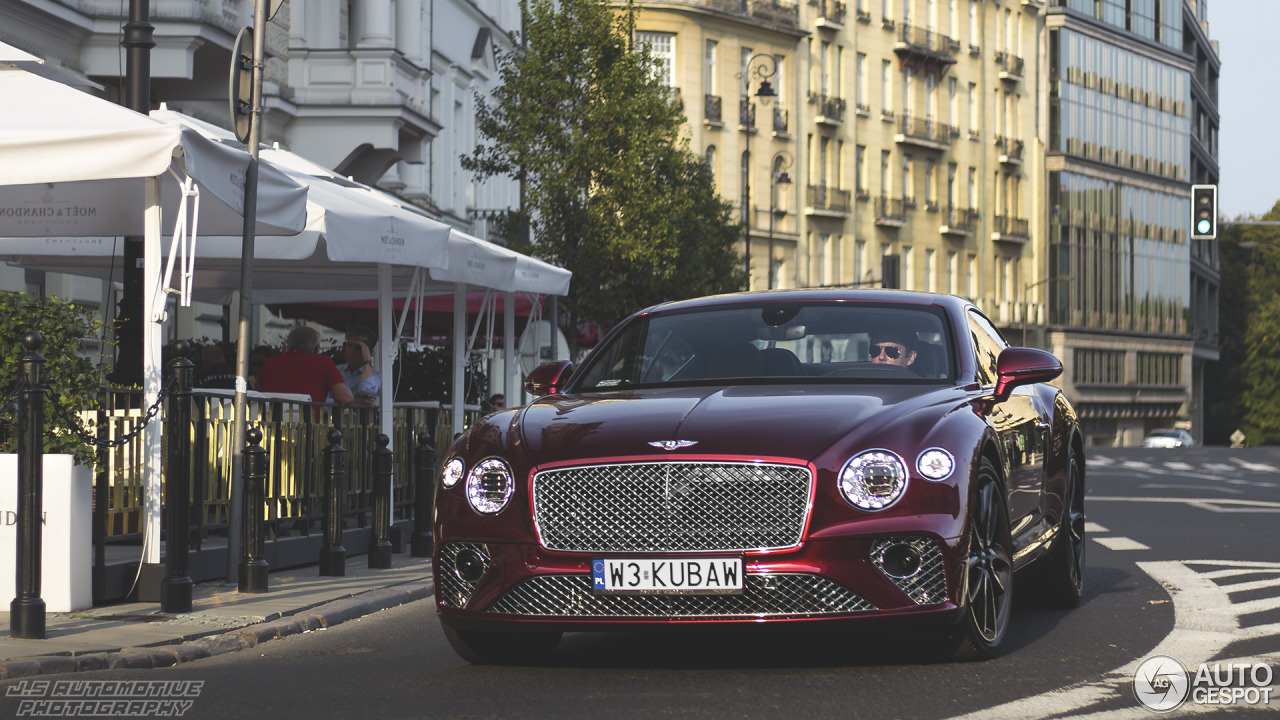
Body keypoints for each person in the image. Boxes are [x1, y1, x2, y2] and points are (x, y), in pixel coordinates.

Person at [258, 325, 354, 404]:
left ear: (289, 345)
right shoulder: (323, 362)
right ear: (316, 348)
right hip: (308, 425)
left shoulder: (271, 362)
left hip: (271, 424)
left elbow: (258, 389)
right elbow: (345, 398)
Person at [337, 325, 381, 405]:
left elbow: (367, 390)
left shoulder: (374, 377)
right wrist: (352, 401)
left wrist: (367, 361)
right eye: (349, 345)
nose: (351, 351)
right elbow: (323, 401)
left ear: (369, 352)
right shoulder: (336, 371)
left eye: (358, 347)